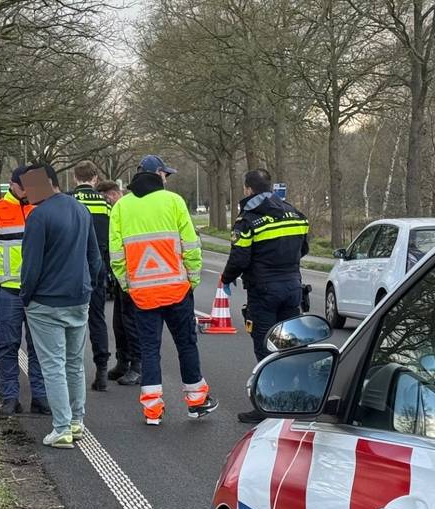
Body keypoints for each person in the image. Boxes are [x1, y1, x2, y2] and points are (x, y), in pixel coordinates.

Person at [109, 155, 217, 426]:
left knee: (148, 350)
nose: (167, 178)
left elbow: (116, 255)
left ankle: (152, 411)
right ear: (157, 173)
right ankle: (196, 402)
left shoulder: (121, 207)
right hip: (177, 290)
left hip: (142, 294)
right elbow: (191, 245)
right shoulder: (174, 202)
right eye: (165, 174)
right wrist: (192, 279)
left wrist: (127, 285)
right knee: (186, 345)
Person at [20, 163, 102, 449]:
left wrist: (25, 297)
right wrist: (88, 287)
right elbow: (95, 258)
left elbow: (31, 266)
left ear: (43, 184)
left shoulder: (38, 216)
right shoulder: (80, 209)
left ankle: (62, 428)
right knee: (74, 363)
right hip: (78, 298)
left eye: (28, 187)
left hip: (46, 302)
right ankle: (77, 421)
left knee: (52, 365)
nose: (26, 193)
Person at [220, 169, 310, 423]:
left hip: (264, 291)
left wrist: (226, 279)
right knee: (292, 344)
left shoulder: (248, 220)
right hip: (293, 287)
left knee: (265, 346)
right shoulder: (295, 213)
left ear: (248, 189)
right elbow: (304, 248)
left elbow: (239, 258)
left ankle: (268, 404)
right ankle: (301, 399)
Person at [0, 166, 50, 416]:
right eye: (27, 187)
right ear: (14, 185)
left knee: (39, 347)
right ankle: (10, 398)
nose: (31, 192)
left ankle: (40, 398)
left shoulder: (39, 209)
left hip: (37, 291)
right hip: (7, 291)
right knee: (8, 347)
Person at [70, 161, 112, 391]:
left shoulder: (69, 201)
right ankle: (102, 370)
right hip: (98, 268)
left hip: (72, 269)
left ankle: (72, 372)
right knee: (97, 319)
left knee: (70, 320)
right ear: (95, 179)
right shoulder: (106, 205)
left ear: (75, 178)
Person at [96, 180, 141, 385]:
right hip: (120, 274)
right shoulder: (116, 210)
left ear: (112, 194)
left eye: (105, 198)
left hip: (132, 274)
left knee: (132, 323)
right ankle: (123, 362)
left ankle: (138, 366)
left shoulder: (125, 209)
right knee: (119, 323)